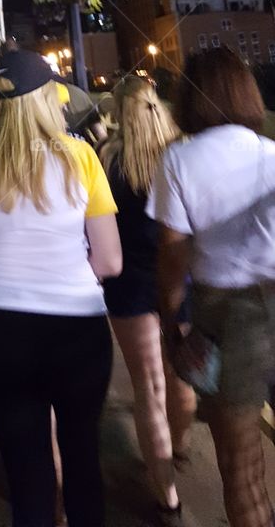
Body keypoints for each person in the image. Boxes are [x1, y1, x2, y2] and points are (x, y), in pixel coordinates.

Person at [0, 49, 122, 527]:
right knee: (83, 458)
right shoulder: (81, 156)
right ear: (47, 99)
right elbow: (110, 259)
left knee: (27, 474)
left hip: (1, 326)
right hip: (78, 327)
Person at [149, 46, 275, 527]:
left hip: (226, 315)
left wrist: (172, 321)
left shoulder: (178, 159)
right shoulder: (270, 151)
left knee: (241, 470)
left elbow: (173, 253)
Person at [99, 75, 195, 520]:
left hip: (130, 284)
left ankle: (167, 497)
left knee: (147, 386)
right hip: (179, 278)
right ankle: (182, 447)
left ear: (119, 112)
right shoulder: (181, 153)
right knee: (180, 373)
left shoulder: (110, 160)